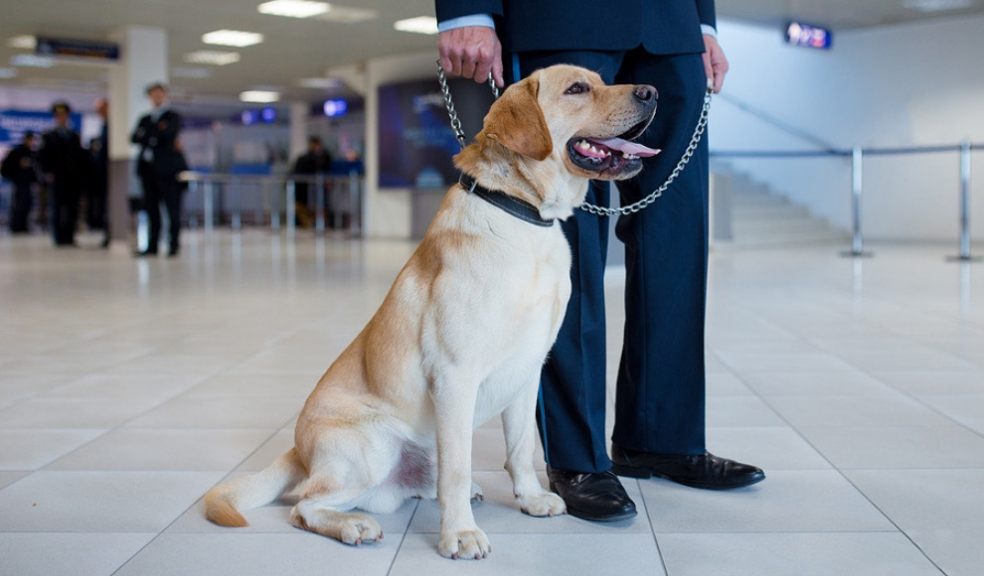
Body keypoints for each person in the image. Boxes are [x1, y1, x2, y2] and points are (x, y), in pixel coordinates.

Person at [436, 0, 765, 522]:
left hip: (672, 25)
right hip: (562, 18)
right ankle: (578, 458)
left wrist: (702, 22)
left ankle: (662, 438)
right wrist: (465, 9)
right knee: (570, 247)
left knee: (677, 241)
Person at [131, 82, 183, 257]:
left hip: (167, 171)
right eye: (154, 94)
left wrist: (147, 134)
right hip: (148, 171)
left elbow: (167, 136)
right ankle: (152, 245)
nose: (157, 97)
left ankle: (173, 245)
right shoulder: (145, 118)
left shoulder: (172, 117)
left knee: (172, 209)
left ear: (165, 95)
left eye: (160, 94)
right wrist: (154, 133)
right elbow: (134, 138)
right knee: (151, 210)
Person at [40, 102, 87, 247]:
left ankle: (70, 236)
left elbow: (80, 159)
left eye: (64, 115)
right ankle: (58, 237)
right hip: (57, 178)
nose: (61, 118)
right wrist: (47, 173)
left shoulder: (74, 136)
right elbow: (43, 158)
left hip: (73, 179)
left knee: (72, 208)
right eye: (58, 115)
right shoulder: (48, 136)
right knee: (57, 208)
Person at [1, 130, 40, 234]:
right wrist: (18, 166)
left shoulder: (32, 153)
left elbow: (34, 170)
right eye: (30, 140)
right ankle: (16, 227)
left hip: (28, 184)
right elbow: (6, 167)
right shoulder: (17, 152)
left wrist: (35, 180)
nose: (31, 142)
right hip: (17, 183)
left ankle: (24, 226)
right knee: (18, 205)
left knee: (27, 205)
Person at [291, 136, 332, 228]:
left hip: (303, 192)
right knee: (309, 209)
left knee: (307, 209)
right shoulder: (312, 158)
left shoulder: (305, 158)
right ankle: (312, 225)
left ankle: (311, 225)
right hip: (307, 191)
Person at [88, 98, 110, 248]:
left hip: (110, 174)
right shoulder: (104, 126)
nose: (100, 113)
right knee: (102, 206)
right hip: (100, 175)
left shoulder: (112, 126)